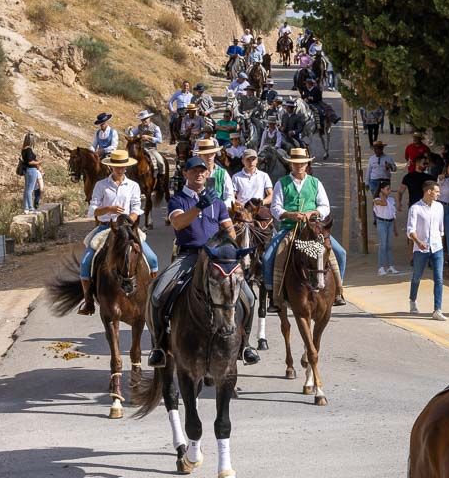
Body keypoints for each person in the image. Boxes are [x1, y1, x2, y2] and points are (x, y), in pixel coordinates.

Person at [146, 156, 259, 368]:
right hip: (189, 255)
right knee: (158, 293)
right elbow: (178, 223)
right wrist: (198, 207)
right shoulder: (178, 199)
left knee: (250, 297)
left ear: (207, 174)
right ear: (185, 174)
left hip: (216, 258)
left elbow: (228, 228)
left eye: (202, 171)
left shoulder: (216, 202)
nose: (199, 174)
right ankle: (159, 346)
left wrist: (231, 249)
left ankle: (245, 344)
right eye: (193, 171)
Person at [77, 149, 159, 316]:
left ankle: (152, 296)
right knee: (86, 262)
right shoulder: (101, 185)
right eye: (116, 167)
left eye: (122, 167)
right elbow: (92, 209)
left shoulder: (133, 186)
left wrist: (128, 219)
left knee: (152, 258)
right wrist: (108, 209)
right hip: (106, 227)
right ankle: (88, 300)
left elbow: (137, 208)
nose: (119, 169)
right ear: (111, 167)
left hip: (127, 227)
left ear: (126, 167)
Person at [263, 147, 348, 308]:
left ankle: (338, 291)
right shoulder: (282, 183)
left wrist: (313, 213)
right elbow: (275, 208)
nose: (299, 166)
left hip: (313, 229)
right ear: (290, 165)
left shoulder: (315, 183)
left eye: (302, 163)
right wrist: (290, 215)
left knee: (340, 253)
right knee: (268, 257)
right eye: (295, 163)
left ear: (306, 164)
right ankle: (274, 296)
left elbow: (325, 206)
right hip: (289, 228)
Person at [407, 180, 446, 319]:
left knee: (439, 278)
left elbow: (441, 229)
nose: (439, 194)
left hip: (437, 248)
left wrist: (439, 244)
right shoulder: (415, 208)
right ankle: (412, 300)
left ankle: (437, 310)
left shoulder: (440, 207)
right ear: (428, 192)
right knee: (417, 276)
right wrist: (419, 242)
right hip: (420, 249)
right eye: (436, 191)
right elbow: (410, 230)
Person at [194, 138, 235, 212]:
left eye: (211, 154)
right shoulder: (193, 174)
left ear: (215, 154)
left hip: (219, 212)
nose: (209, 157)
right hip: (198, 211)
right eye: (205, 154)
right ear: (200, 155)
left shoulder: (223, 173)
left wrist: (220, 207)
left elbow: (230, 196)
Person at [373, 180, 400, 276]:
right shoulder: (376, 200)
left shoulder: (391, 200)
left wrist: (395, 229)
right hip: (381, 223)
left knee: (389, 245)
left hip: (390, 223)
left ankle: (390, 266)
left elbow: (393, 215)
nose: (389, 191)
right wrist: (381, 195)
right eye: (387, 189)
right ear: (382, 190)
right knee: (383, 245)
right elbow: (383, 203)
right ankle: (381, 267)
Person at [19, 132, 42, 213]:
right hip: (31, 170)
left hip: (26, 170)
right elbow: (30, 162)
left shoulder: (23, 149)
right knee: (30, 190)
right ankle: (31, 208)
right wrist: (39, 162)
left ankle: (25, 207)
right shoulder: (29, 149)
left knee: (26, 189)